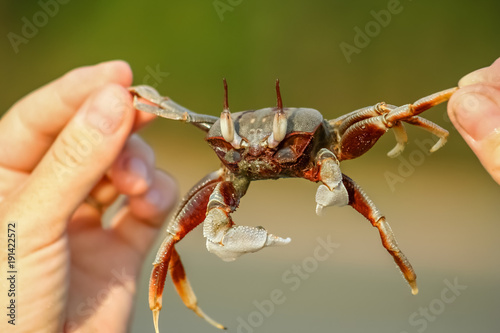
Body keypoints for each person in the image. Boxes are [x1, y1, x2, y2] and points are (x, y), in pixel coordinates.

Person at [0, 58, 498, 332]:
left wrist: (413, 121)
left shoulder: (320, 139)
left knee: (379, 201)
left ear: (297, 133)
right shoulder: (233, 163)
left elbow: (385, 111)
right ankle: (174, 311)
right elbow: (172, 110)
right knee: (171, 236)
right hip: (236, 174)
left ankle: (406, 267)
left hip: (316, 157)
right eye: (238, 145)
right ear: (223, 141)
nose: (261, 153)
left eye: (276, 143)